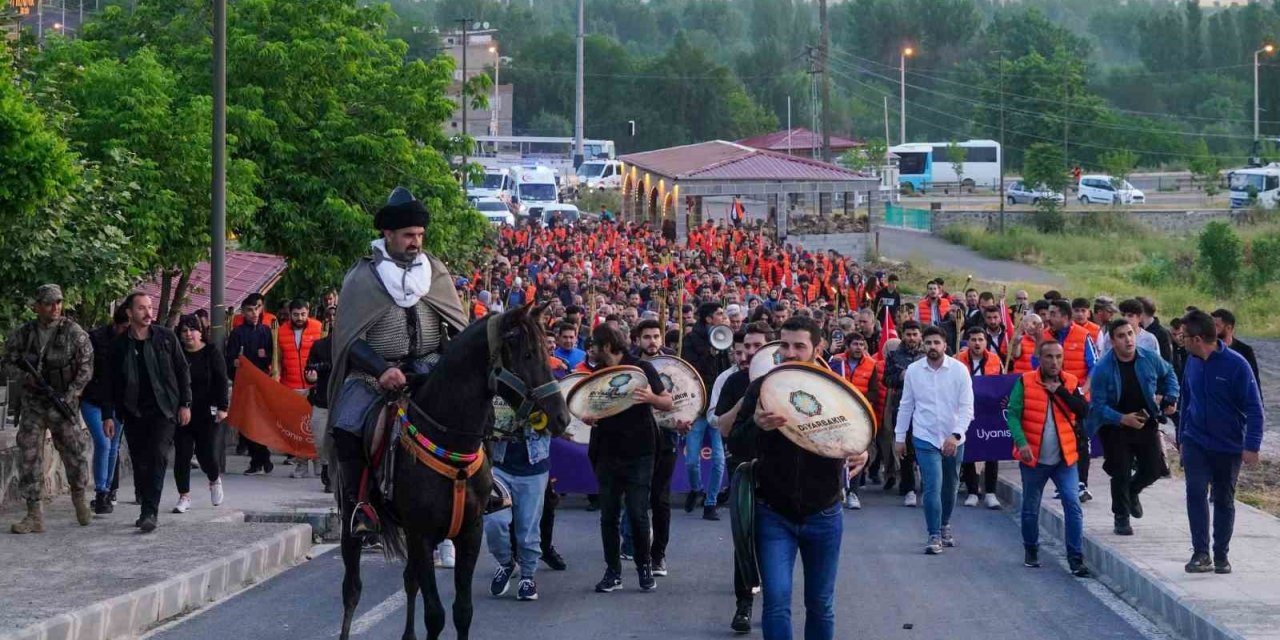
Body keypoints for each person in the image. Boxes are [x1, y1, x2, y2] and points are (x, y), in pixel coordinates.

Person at [326, 187, 469, 538]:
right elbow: (348, 341)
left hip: (430, 368)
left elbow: (456, 326)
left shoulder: (434, 271)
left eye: (419, 235)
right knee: (346, 426)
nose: (415, 242)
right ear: (388, 234)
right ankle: (362, 506)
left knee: (474, 412)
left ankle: (485, 488)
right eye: (408, 235)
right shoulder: (361, 278)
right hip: (375, 375)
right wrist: (381, 369)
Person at [728, 316, 868, 640]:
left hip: (824, 513)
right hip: (773, 514)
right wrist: (756, 427)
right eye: (785, 345)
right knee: (776, 603)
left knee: (820, 604)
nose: (790, 352)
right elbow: (735, 442)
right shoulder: (761, 388)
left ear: (817, 348)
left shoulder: (838, 390)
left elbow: (861, 434)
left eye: (799, 346)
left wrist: (864, 452)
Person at [586, 324, 672, 594]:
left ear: (608, 346)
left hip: (640, 451)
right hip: (606, 452)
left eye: (596, 345)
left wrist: (650, 397)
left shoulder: (641, 368)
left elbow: (667, 402)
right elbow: (588, 406)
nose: (592, 350)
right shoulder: (598, 372)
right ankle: (613, 572)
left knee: (637, 512)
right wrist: (589, 416)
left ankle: (644, 567)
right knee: (608, 515)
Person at [1178, 310, 1264, 574]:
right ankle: (1200, 553)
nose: (1180, 340)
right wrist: (1181, 438)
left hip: (1227, 446)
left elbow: (1254, 408)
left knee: (1224, 499)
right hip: (1195, 441)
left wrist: (1252, 445)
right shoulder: (1191, 361)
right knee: (1194, 492)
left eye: (1184, 336)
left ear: (1198, 339)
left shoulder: (1236, 365)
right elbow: (1186, 400)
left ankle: (1221, 554)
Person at [4, 284, 95, 534]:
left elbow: (86, 367)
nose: (55, 307)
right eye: (48, 303)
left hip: (61, 402)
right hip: (33, 403)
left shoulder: (74, 333)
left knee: (74, 454)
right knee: (29, 456)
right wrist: (25, 378)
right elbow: (8, 361)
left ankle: (79, 500)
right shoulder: (25, 334)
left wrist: (71, 395)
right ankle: (34, 514)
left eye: (58, 302)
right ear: (37, 306)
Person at [104, 292, 192, 533]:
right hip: (133, 412)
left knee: (158, 456)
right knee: (141, 462)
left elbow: (182, 370)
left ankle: (149, 512)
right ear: (130, 313)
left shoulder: (165, 338)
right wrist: (107, 415)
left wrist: (185, 403)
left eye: (150, 307)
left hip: (164, 409)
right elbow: (109, 383)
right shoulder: (119, 346)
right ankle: (146, 503)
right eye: (141, 308)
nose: (147, 312)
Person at [1007, 340, 1091, 576]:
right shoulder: (1025, 382)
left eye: (1058, 357)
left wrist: (1061, 391)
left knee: (1072, 504)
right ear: (1039, 359)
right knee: (1031, 507)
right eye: (1049, 357)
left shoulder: (1071, 382)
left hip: (1065, 459)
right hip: (1034, 458)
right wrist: (1021, 443)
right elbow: (1012, 415)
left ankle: (1075, 558)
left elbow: (1083, 410)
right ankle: (1031, 549)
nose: (1054, 362)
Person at [1088, 319, 1179, 536]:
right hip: (1114, 424)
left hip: (1144, 419)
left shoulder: (1148, 357)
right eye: (1121, 336)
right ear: (1113, 341)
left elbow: (1169, 374)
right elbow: (1097, 406)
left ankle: (1132, 491)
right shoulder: (1102, 369)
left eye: (1130, 333)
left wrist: (1171, 396)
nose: (1128, 339)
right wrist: (1122, 418)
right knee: (1120, 469)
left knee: (1154, 469)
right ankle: (1121, 517)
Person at [895, 326, 974, 554]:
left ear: (945, 345)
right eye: (928, 343)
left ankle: (945, 524)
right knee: (932, 485)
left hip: (954, 437)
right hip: (924, 436)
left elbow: (967, 407)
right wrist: (900, 437)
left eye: (936, 343)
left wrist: (956, 434)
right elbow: (906, 405)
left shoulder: (959, 370)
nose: (932, 347)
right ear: (923, 345)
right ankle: (933, 534)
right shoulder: (913, 371)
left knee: (950, 485)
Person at [714, 322, 771, 634]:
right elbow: (722, 428)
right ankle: (744, 605)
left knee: (776, 543)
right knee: (744, 542)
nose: (749, 353)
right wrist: (747, 395)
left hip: (776, 470)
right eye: (746, 347)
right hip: (742, 470)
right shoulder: (734, 381)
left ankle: (774, 605)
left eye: (756, 347)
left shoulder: (784, 380)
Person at [618, 318, 685, 577]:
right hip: (637, 441)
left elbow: (683, 400)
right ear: (637, 340)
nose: (652, 341)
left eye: (656, 336)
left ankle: (658, 556)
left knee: (661, 500)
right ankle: (633, 544)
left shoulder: (674, 366)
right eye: (647, 337)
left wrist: (684, 421)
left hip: (666, 440)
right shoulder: (631, 366)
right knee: (635, 498)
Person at [485, 377, 555, 603]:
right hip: (500, 465)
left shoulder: (546, 389)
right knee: (494, 523)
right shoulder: (498, 385)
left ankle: (527, 576)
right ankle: (506, 563)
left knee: (527, 530)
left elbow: (559, 422)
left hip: (533, 468)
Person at [172, 314, 229, 514]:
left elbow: (221, 380)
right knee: (183, 455)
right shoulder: (177, 354)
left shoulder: (212, 352)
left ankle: (214, 479)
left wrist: (223, 407)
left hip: (208, 412)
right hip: (183, 413)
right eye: (184, 330)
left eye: (192, 330)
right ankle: (184, 496)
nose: (188, 334)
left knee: (207, 455)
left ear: (201, 332)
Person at [680, 302, 731, 520]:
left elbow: (726, 373)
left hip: (716, 409)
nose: (723, 317)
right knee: (692, 460)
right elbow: (688, 371)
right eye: (720, 314)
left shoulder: (724, 339)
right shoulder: (691, 340)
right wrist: (710, 353)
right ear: (709, 319)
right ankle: (696, 488)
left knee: (719, 461)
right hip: (698, 407)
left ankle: (710, 503)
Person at [1042, 299, 1097, 501]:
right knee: (1058, 439)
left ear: (1065, 317)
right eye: (1049, 313)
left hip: (1076, 396)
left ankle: (1081, 484)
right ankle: (1064, 482)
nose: (1049, 317)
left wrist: (1083, 390)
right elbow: (1034, 363)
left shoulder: (1083, 336)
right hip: (1052, 395)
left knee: (1081, 440)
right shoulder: (1046, 336)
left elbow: (1094, 366)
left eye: (1053, 313)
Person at [84, 305, 129, 514]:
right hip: (94, 399)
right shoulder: (96, 338)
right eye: (123, 327)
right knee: (103, 442)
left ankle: (108, 489)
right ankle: (101, 491)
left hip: (117, 401)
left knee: (112, 447)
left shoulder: (133, 341)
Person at [225, 295, 275, 474]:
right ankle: (261, 459)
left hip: (261, 384)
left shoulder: (266, 331)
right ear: (243, 312)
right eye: (250, 310)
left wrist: (266, 358)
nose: (254, 313)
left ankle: (260, 459)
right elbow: (229, 358)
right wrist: (235, 363)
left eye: (257, 308)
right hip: (244, 385)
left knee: (260, 423)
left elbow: (273, 358)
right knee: (247, 424)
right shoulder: (237, 333)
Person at [955, 327, 1004, 509]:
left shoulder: (995, 359)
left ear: (985, 342)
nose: (977, 343)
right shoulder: (958, 359)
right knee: (969, 450)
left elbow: (1000, 383)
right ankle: (972, 491)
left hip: (988, 410)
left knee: (992, 452)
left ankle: (990, 492)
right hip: (965, 410)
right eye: (973, 339)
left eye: (980, 339)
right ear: (968, 342)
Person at [278, 299, 322, 479]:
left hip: (314, 387)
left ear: (308, 311)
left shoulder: (319, 328)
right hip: (291, 386)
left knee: (316, 428)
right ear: (290, 314)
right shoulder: (280, 332)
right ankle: (301, 465)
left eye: (303, 314)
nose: (299, 318)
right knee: (297, 430)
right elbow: (278, 359)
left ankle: (319, 464)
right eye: (296, 314)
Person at [883, 320, 925, 505]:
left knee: (925, 446)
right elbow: (887, 379)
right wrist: (900, 376)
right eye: (908, 334)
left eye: (915, 334)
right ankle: (908, 488)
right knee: (905, 448)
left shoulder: (927, 354)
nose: (912, 338)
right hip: (902, 406)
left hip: (926, 408)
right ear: (903, 335)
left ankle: (927, 484)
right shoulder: (894, 355)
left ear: (920, 335)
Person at [304, 319, 335, 494]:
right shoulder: (320, 346)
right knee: (321, 438)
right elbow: (309, 370)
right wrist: (312, 377)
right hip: (322, 399)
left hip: (344, 399)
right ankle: (326, 466)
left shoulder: (354, 345)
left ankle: (335, 474)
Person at [1210, 308, 1260, 384]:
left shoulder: (1245, 351)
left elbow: (1254, 380)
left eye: (1216, 326)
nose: (1212, 329)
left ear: (1228, 328)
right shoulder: (1208, 350)